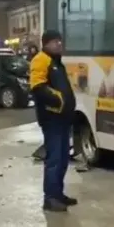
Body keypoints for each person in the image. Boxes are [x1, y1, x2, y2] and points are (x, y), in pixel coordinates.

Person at [29, 30, 77, 212]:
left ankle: (58, 194)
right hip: (51, 118)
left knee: (63, 157)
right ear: (46, 43)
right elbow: (38, 87)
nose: (59, 44)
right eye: (55, 41)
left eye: (60, 41)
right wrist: (59, 100)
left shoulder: (56, 62)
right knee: (55, 158)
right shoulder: (41, 60)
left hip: (62, 118)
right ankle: (50, 198)